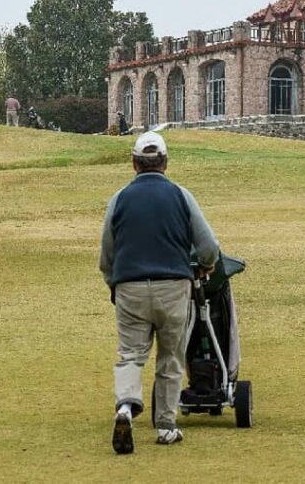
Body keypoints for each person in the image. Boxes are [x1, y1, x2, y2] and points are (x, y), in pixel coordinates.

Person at [100, 131, 219, 454]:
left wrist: (114, 281)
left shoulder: (119, 198)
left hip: (130, 287)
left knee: (130, 355)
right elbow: (209, 247)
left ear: (134, 163)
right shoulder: (181, 196)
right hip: (174, 286)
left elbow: (106, 253)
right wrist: (205, 266)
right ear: (165, 162)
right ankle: (166, 426)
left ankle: (126, 407)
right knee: (171, 358)